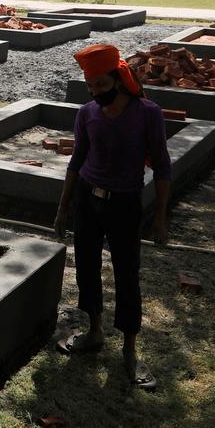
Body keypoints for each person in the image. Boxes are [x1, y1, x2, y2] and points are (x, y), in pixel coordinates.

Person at [54, 43, 171, 391]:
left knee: (126, 273)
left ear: (119, 79)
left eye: (101, 85)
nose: (95, 92)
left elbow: (162, 166)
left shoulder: (147, 113)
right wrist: (63, 208)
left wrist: (160, 217)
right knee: (87, 266)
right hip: (87, 200)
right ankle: (95, 331)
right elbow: (76, 161)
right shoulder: (86, 113)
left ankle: (130, 350)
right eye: (90, 86)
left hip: (124, 203)